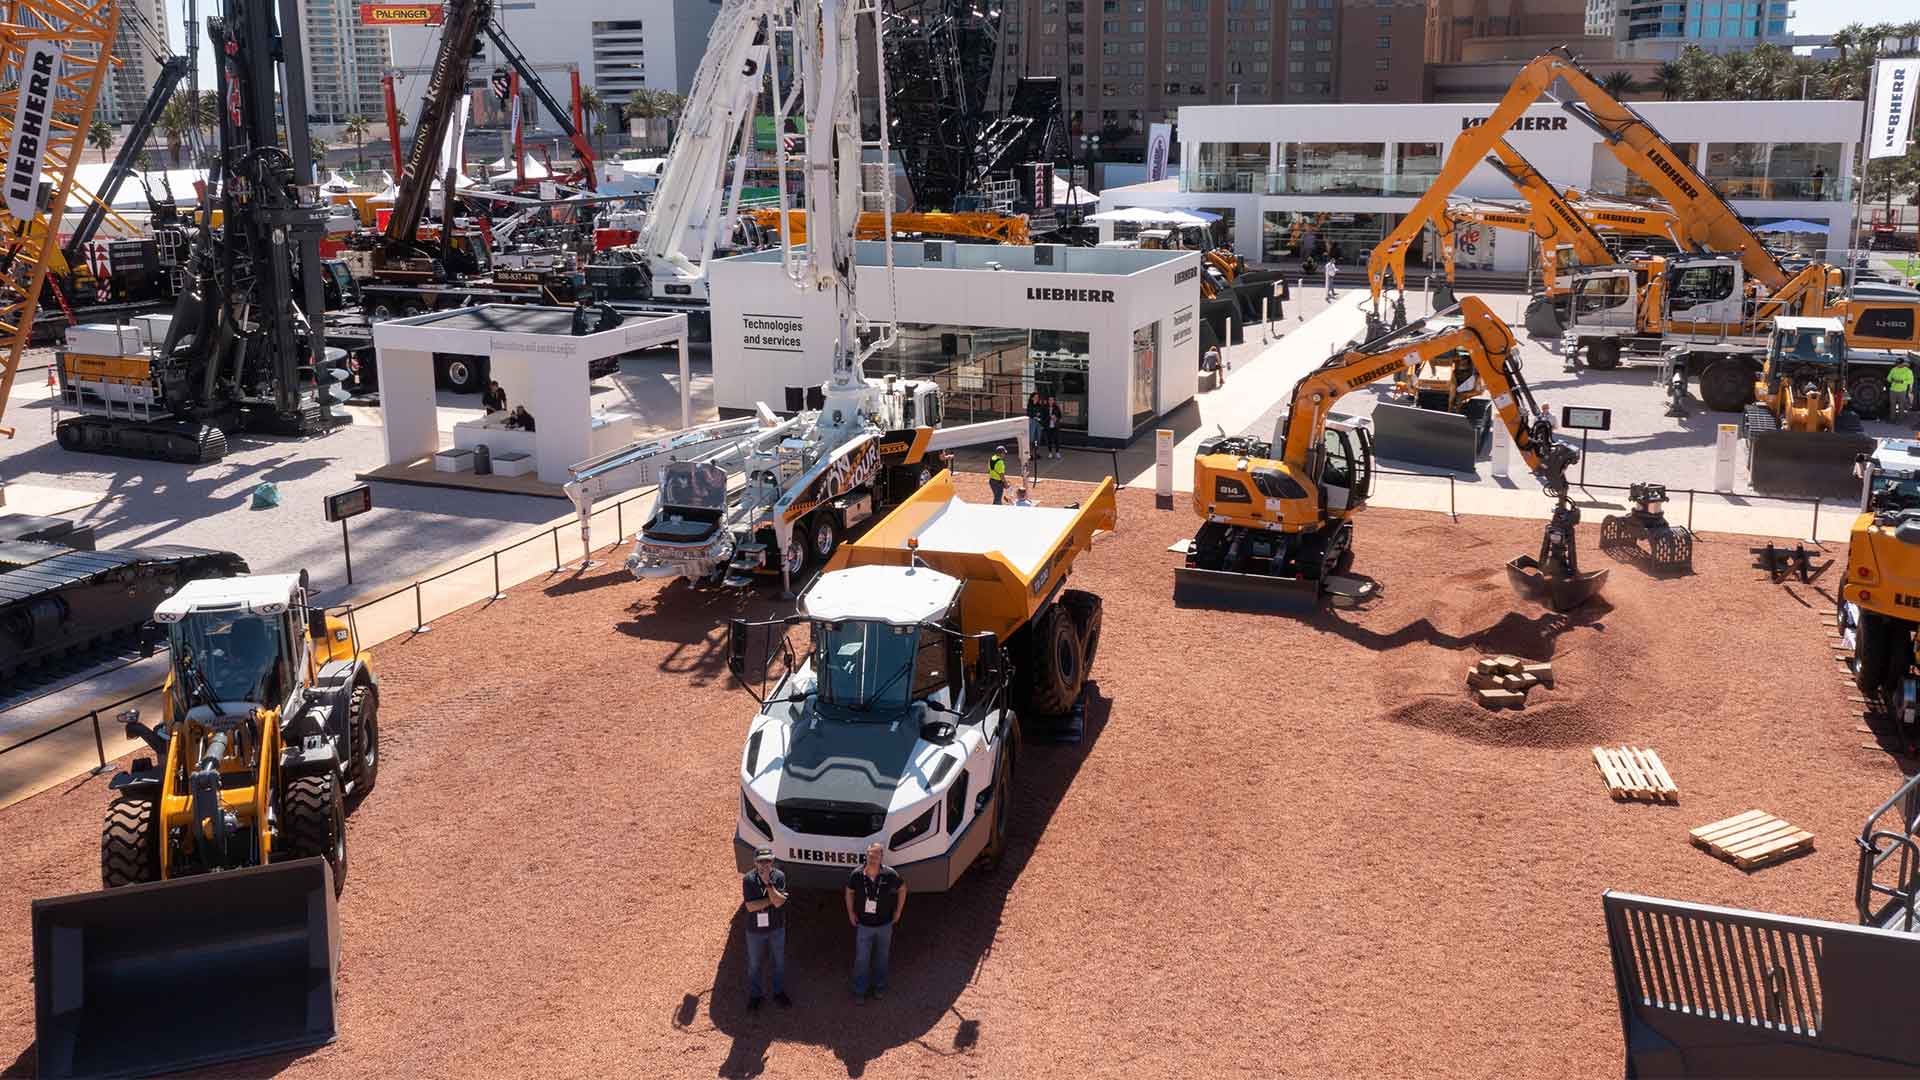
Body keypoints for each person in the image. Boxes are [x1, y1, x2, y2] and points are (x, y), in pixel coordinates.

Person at [845, 842, 906, 1002]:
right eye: (870, 856)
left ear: (881, 857)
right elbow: (849, 891)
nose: (872, 859)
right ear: (866, 856)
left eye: (876, 856)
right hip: (863, 925)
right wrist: (851, 912)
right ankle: (860, 991)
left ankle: (879, 987)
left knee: (882, 958)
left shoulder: (889, 874)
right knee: (861, 959)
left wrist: (898, 911)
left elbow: (902, 888)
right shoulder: (857, 874)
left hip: (885, 925)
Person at [741, 848, 791, 1011]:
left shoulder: (779, 877)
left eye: (767, 861)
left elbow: (778, 903)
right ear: (754, 862)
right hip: (754, 931)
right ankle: (756, 995)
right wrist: (774, 898)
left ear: (773, 861)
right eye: (761, 861)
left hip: (776, 928)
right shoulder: (748, 879)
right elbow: (750, 906)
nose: (764, 864)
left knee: (779, 962)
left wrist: (768, 884)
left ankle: (778, 992)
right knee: (754, 964)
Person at [1043, 395, 1063, 459]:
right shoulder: (1045, 408)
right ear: (1048, 401)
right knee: (1049, 440)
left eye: (1052, 400)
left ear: (1054, 401)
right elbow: (1043, 417)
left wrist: (1056, 418)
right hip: (1048, 427)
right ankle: (1050, 453)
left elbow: (1060, 416)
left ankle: (1057, 452)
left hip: (1055, 426)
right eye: (1049, 400)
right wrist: (1050, 417)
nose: (1051, 401)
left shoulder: (1056, 407)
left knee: (1056, 440)